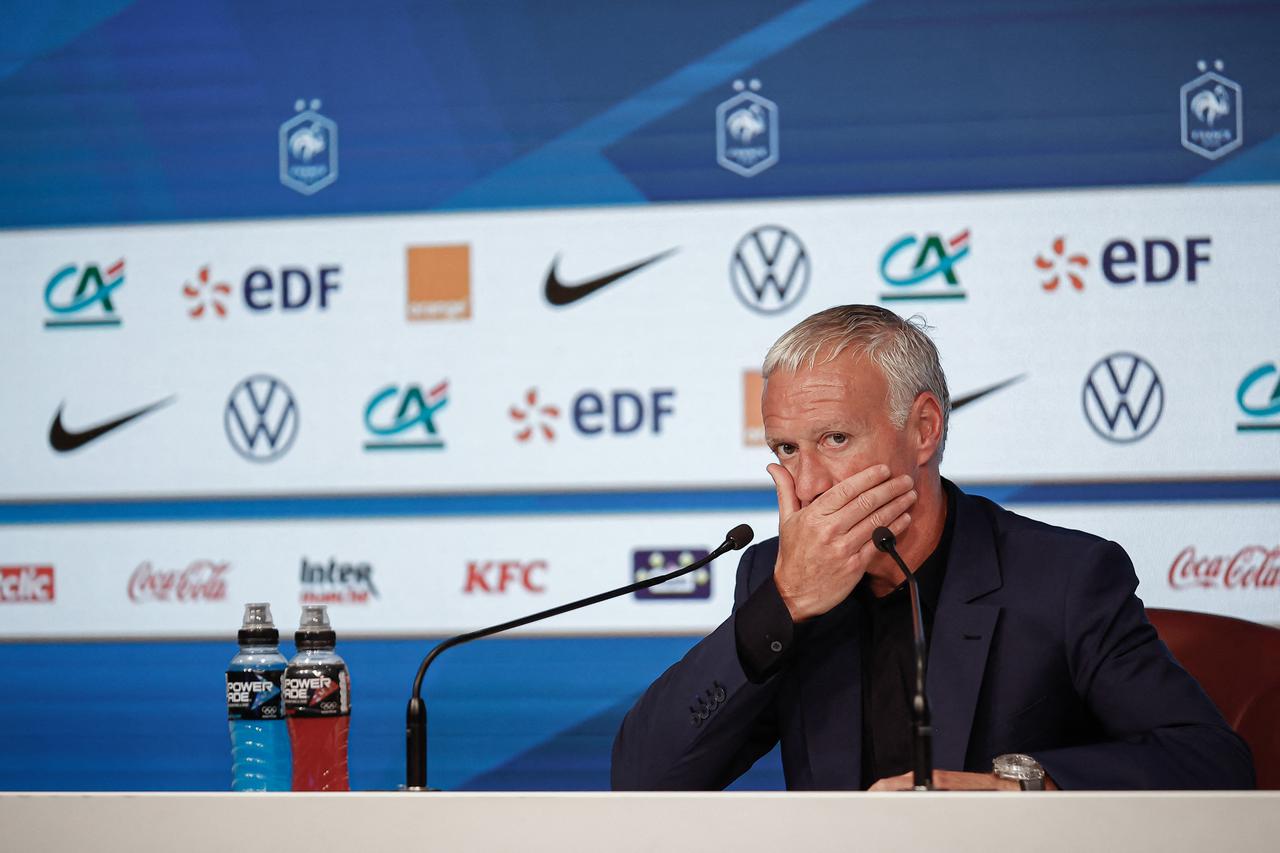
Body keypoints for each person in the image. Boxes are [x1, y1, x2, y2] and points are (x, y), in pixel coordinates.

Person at [611, 305, 1254, 791]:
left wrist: (1018, 788)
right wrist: (783, 606)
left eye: (835, 439)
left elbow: (1213, 763)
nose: (805, 486)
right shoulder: (774, 575)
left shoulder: (1064, 576)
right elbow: (644, 780)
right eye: (785, 449)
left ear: (922, 429)